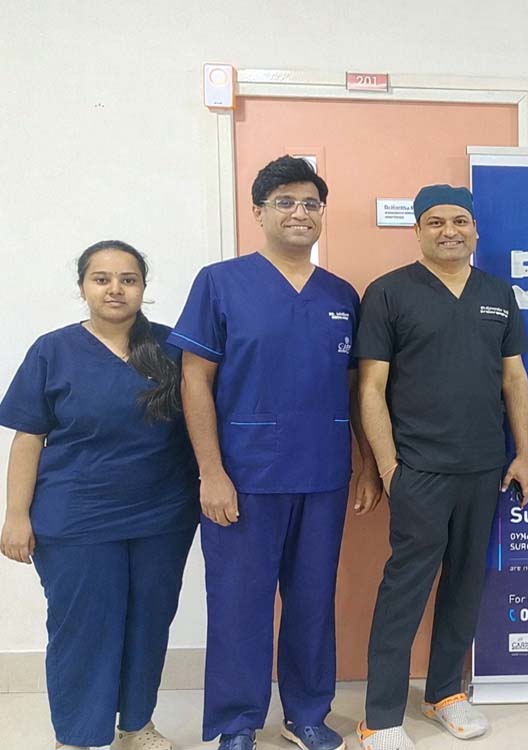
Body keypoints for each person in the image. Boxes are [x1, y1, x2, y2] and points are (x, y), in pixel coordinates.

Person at [170, 156, 382, 750]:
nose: (299, 213)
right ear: (258, 212)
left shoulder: (340, 295)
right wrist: (211, 472)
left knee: (312, 601)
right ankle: (237, 722)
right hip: (244, 475)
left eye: (311, 203)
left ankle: (306, 713)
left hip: (322, 474)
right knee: (239, 604)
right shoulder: (220, 282)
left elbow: (354, 388)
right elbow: (194, 380)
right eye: (285, 202)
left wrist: (366, 465)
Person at [0, 241, 199, 750]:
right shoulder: (53, 350)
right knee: (83, 628)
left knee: (148, 624)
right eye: (102, 279)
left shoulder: (171, 347)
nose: (115, 289)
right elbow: (28, 438)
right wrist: (16, 515)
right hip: (76, 516)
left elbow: (203, 418)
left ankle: (136, 726)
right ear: (83, 286)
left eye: (128, 279)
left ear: (143, 287)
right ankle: (77, 736)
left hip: (162, 515)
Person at [354, 184, 528, 750]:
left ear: (475, 228)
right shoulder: (389, 293)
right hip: (419, 469)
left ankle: (445, 694)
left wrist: (523, 454)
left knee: (465, 583)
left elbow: (514, 378)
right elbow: (371, 387)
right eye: (435, 222)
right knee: (405, 589)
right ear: (417, 230)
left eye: (459, 220)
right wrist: (389, 469)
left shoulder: (497, 293)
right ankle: (380, 716)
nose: (449, 230)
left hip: (483, 467)